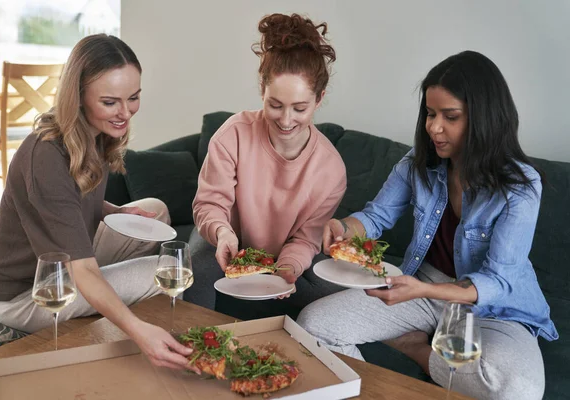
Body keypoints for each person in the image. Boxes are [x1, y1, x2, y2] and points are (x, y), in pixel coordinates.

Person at [297, 51, 558, 399]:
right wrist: (344, 227)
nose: (434, 127)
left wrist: (420, 292)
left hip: (495, 308)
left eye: (450, 117)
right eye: (430, 114)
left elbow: (497, 281)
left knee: (517, 389)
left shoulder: (520, 186)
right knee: (313, 327)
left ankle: (416, 349)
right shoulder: (418, 162)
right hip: (422, 285)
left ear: (485, 119)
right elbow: (376, 217)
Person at [0, 34, 199, 373]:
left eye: (134, 98)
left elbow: (74, 201)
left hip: (67, 259)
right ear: (79, 97)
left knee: (154, 208)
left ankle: (108, 301)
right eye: (110, 102)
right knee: (160, 272)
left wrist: (117, 212)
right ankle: (150, 335)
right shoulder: (46, 156)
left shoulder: (92, 133)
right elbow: (81, 268)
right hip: (27, 292)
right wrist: (139, 332)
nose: (125, 113)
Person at [185, 13, 347, 319]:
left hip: (285, 253)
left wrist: (287, 268)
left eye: (299, 108)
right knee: (195, 270)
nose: (286, 121)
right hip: (224, 241)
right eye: (275, 105)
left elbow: (305, 238)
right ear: (262, 90)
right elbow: (210, 203)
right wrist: (222, 233)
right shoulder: (232, 133)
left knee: (332, 297)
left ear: (319, 99)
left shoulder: (331, 169)